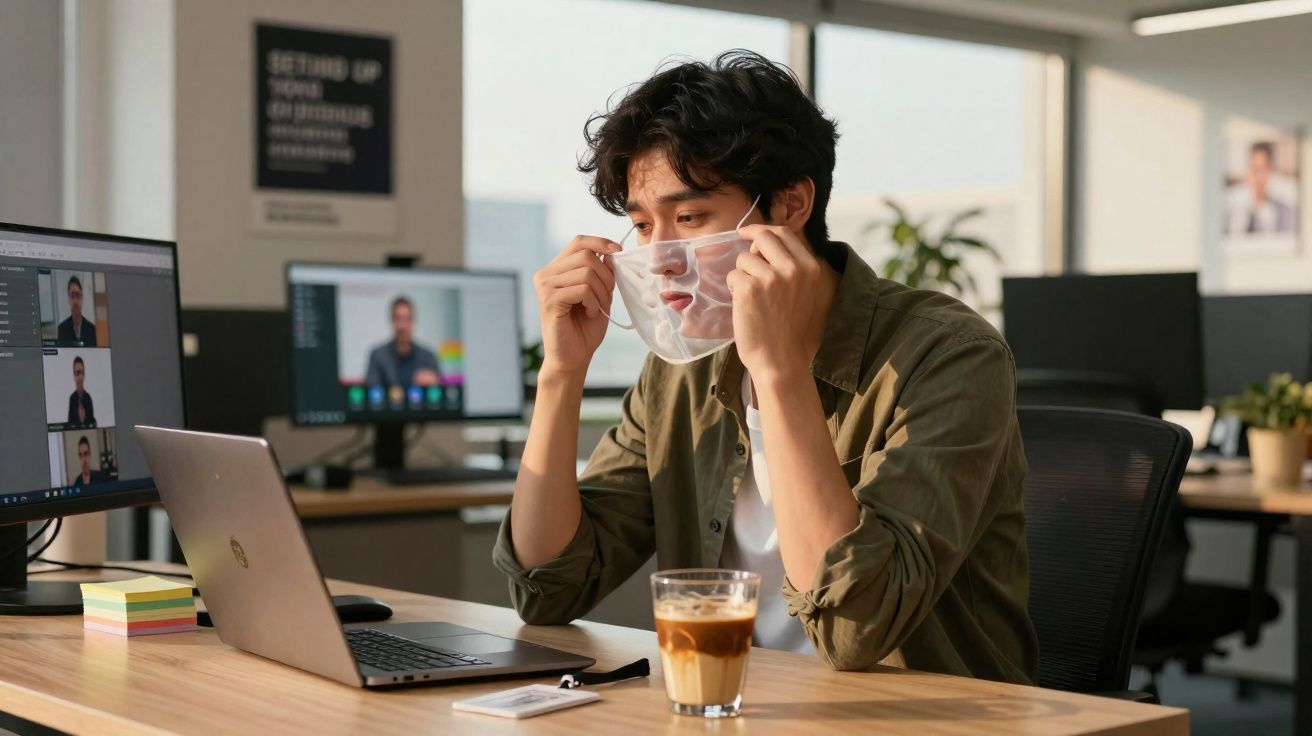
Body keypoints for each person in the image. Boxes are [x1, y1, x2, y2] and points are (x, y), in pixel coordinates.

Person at [493, 50, 1037, 683]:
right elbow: (547, 590)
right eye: (643, 225)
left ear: (790, 205)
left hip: (920, 719)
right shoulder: (683, 366)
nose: (661, 256)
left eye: (690, 217)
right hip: (725, 703)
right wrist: (561, 374)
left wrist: (778, 372)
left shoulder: (947, 354)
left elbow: (857, 626)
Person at [364, 296, 442, 387]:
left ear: (413, 322)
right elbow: (371, 390)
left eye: (406, 319)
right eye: (398, 319)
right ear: (392, 321)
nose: (403, 326)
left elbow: (440, 392)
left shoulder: (428, 357)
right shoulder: (378, 356)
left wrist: (434, 383)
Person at [1231, 141, 1295, 235]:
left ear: (1270, 171)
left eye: (1263, 169)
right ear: (1247, 170)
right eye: (1254, 169)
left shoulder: (1284, 211)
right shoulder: (1233, 211)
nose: (1258, 177)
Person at [56, 276, 98, 346]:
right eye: (72, 296)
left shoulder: (91, 329)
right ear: (68, 300)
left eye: (78, 295)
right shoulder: (62, 329)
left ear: (82, 299)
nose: (75, 301)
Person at [67, 356, 96, 428]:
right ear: (74, 376)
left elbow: (93, 424)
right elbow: (70, 424)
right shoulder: (72, 399)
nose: (80, 377)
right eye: (77, 373)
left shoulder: (88, 398)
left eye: (82, 372)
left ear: (84, 375)